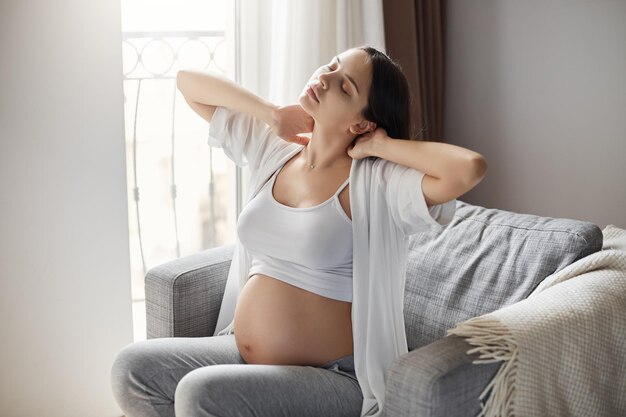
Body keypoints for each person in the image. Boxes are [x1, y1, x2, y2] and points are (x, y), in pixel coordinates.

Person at [111, 45, 486, 417]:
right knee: (133, 368)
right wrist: (271, 113)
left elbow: (468, 168)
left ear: (362, 123)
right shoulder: (276, 151)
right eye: (331, 65)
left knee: (200, 392)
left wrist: (383, 145)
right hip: (244, 357)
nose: (324, 78)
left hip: (331, 377)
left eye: (345, 86)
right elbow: (188, 83)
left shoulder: (377, 184)